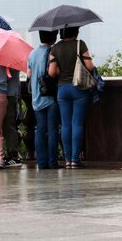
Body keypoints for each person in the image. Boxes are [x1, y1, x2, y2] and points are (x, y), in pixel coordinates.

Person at [48, 27, 93, 169]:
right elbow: (89, 67)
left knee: (65, 125)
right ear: (76, 32)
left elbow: (51, 73)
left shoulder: (55, 48)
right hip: (79, 88)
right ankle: (75, 160)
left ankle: (67, 160)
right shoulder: (80, 44)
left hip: (62, 90)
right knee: (77, 124)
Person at [27, 30, 60, 169]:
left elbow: (29, 74)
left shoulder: (32, 53)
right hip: (50, 96)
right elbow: (54, 73)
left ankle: (41, 162)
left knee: (40, 129)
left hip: (36, 97)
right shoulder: (53, 52)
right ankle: (53, 162)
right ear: (53, 37)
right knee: (52, 130)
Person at [2, 68, 23, 167]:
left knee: (8, 126)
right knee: (9, 126)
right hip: (12, 94)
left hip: (8, 94)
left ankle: (13, 155)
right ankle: (11, 153)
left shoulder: (8, 63)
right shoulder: (14, 61)